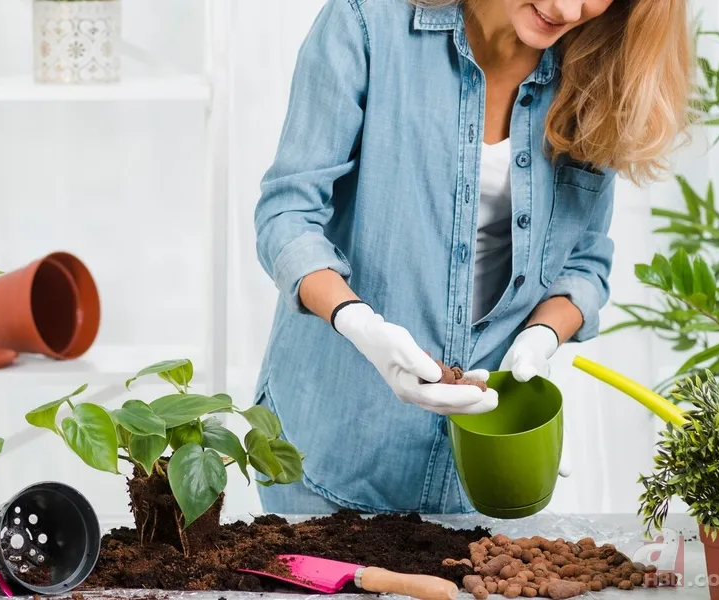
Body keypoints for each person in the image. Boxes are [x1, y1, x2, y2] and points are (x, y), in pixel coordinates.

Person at [251, 0, 693, 515]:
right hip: (330, 448)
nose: (566, 8)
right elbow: (288, 213)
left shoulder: (599, 72)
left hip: (481, 475)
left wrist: (540, 337)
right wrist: (359, 324)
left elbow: (585, 262)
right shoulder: (367, 23)